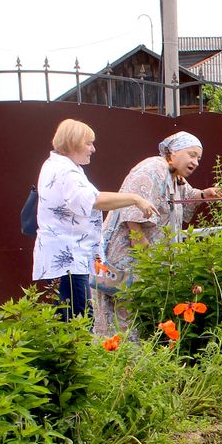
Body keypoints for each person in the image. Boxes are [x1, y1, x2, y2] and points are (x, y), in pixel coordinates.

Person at [93, 131, 222, 337]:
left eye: (198, 157)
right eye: (191, 154)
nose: (196, 162)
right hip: (128, 256)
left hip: (146, 260)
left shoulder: (174, 176)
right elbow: (131, 213)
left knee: (137, 312)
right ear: (173, 151)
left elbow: (186, 195)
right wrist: (144, 251)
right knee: (124, 311)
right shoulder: (152, 168)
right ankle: (122, 359)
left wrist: (203, 194)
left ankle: (131, 361)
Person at [32, 119, 156, 321]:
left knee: (71, 316)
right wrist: (135, 198)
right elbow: (94, 200)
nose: (93, 149)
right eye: (88, 143)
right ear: (73, 143)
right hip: (70, 259)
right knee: (77, 319)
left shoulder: (58, 165)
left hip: (68, 257)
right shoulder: (66, 171)